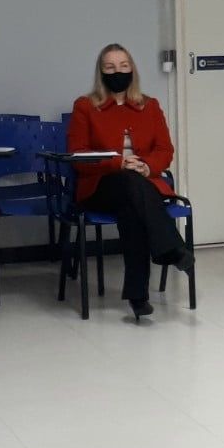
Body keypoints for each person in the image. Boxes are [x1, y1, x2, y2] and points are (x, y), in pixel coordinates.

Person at [66, 44, 191, 318]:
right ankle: (171, 246)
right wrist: (118, 163)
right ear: (101, 72)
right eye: (110, 67)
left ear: (132, 69)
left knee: (132, 206)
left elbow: (165, 150)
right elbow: (78, 156)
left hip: (141, 186)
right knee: (128, 183)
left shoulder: (150, 106)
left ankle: (138, 296)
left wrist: (146, 166)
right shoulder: (85, 106)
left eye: (123, 66)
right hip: (100, 186)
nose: (117, 72)